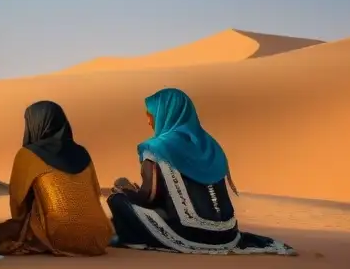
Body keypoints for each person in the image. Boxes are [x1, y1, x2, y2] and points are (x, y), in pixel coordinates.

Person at [106, 87, 294, 255]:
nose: (148, 121)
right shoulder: (211, 146)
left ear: (164, 113)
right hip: (228, 234)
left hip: (190, 233)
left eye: (151, 114)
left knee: (117, 199)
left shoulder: (155, 148)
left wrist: (127, 191)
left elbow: (150, 196)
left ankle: (133, 240)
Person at [0, 101, 113, 256]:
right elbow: (94, 193)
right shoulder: (83, 153)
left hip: (59, 235)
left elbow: (18, 200)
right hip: (99, 236)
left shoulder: (28, 155)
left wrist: (20, 226)